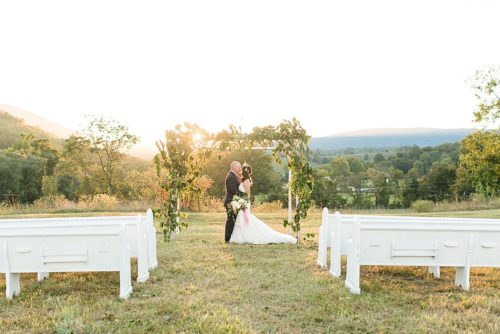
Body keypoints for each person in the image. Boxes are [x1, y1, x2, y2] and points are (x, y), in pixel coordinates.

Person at [229, 163, 297, 244]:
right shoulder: (243, 180)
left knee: (245, 218)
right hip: (241, 201)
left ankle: (246, 236)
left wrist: (244, 203)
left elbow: (248, 194)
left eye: (241, 169)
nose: (240, 170)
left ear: (244, 171)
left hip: (245, 202)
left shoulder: (246, 181)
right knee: (242, 218)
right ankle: (241, 236)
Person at [224, 161, 243, 243]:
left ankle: (232, 237)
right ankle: (227, 238)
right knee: (231, 220)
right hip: (231, 202)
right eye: (239, 167)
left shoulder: (234, 176)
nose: (240, 169)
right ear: (234, 167)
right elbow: (234, 190)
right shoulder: (231, 177)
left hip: (234, 202)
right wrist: (243, 195)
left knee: (233, 220)